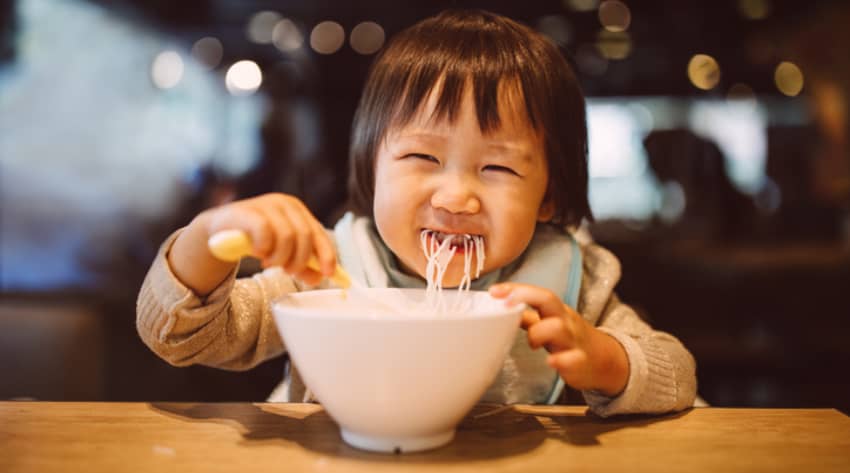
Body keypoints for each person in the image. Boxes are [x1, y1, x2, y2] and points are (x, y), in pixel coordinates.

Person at [137, 9, 696, 417]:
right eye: (423, 157)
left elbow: (678, 374)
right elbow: (182, 337)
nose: (456, 198)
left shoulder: (577, 283)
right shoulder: (328, 270)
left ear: (549, 194)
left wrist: (605, 360)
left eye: (497, 169)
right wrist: (212, 235)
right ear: (373, 168)